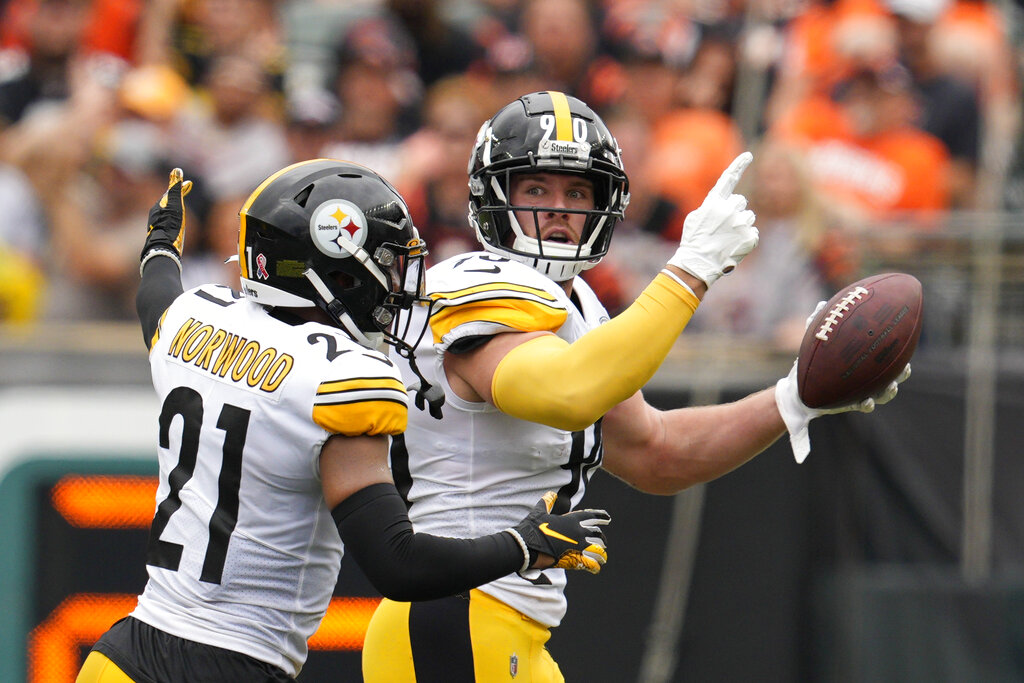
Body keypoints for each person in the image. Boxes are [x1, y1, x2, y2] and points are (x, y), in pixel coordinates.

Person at [361, 90, 910, 681]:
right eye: (537, 189)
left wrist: (795, 398)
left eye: (578, 192)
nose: (560, 209)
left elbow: (657, 451)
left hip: (508, 625)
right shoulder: (474, 281)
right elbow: (564, 393)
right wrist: (691, 272)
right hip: (454, 616)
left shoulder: (582, 307)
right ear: (495, 195)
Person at [75, 159, 613, 682]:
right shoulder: (341, 378)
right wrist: (522, 545)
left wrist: (159, 246)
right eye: (386, 261)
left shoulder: (198, 316)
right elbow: (398, 563)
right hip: (233, 662)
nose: (397, 282)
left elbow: (156, 297)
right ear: (337, 271)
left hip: (120, 657)